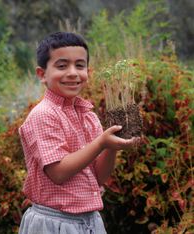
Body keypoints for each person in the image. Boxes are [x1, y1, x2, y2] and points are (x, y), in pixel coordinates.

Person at [18, 31, 141, 234]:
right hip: (53, 222)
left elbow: (99, 177)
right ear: (42, 74)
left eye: (80, 65)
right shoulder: (43, 115)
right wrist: (101, 143)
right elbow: (58, 173)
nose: (73, 73)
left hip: (89, 221)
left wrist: (111, 148)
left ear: (88, 71)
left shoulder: (87, 115)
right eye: (62, 65)